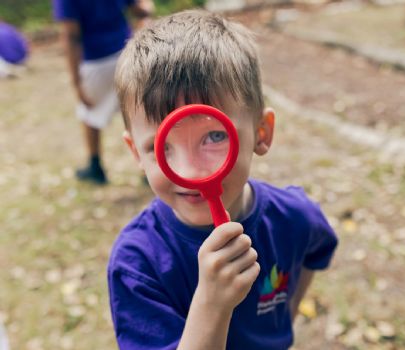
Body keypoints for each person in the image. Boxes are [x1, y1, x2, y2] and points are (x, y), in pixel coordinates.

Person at [108, 10, 338, 350]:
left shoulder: (294, 216)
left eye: (214, 136)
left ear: (261, 133)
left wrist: (283, 323)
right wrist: (212, 305)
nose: (192, 173)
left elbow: (316, 250)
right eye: (161, 146)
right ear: (136, 153)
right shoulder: (137, 263)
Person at [53, 0, 154, 184]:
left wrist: (76, 82)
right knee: (137, 112)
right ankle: (149, 169)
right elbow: (141, 8)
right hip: (126, 51)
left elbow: (71, 35)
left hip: (95, 60)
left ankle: (95, 166)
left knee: (89, 114)